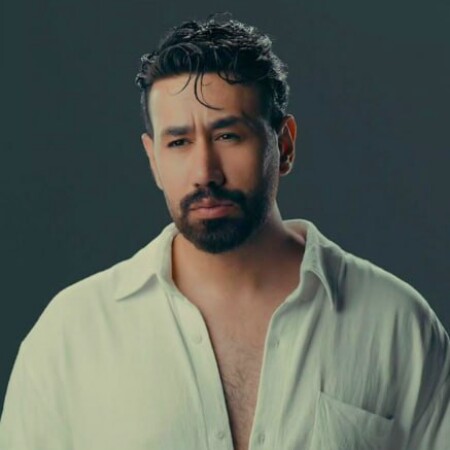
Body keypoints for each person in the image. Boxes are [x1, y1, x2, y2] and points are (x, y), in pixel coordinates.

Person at [1, 13, 449, 450]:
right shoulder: (72, 334)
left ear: (284, 145)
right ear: (153, 159)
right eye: (178, 142)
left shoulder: (396, 324)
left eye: (228, 136)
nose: (205, 172)